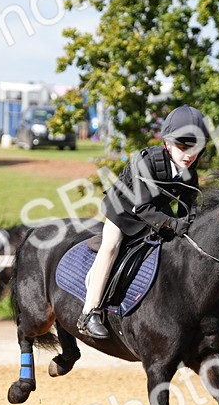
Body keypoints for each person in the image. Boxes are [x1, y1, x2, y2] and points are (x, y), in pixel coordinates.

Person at [78, 105, 210, 339]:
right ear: (167, 144)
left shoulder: (190, 171)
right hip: (123, 211)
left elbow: (189, 208)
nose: (189, 155)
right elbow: (143, 208)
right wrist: (175, 225)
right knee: (111, 247)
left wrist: (192, 226)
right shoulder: (146, 161)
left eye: (196, 148)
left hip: (156, 215)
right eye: (183, 146)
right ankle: (90, 312)